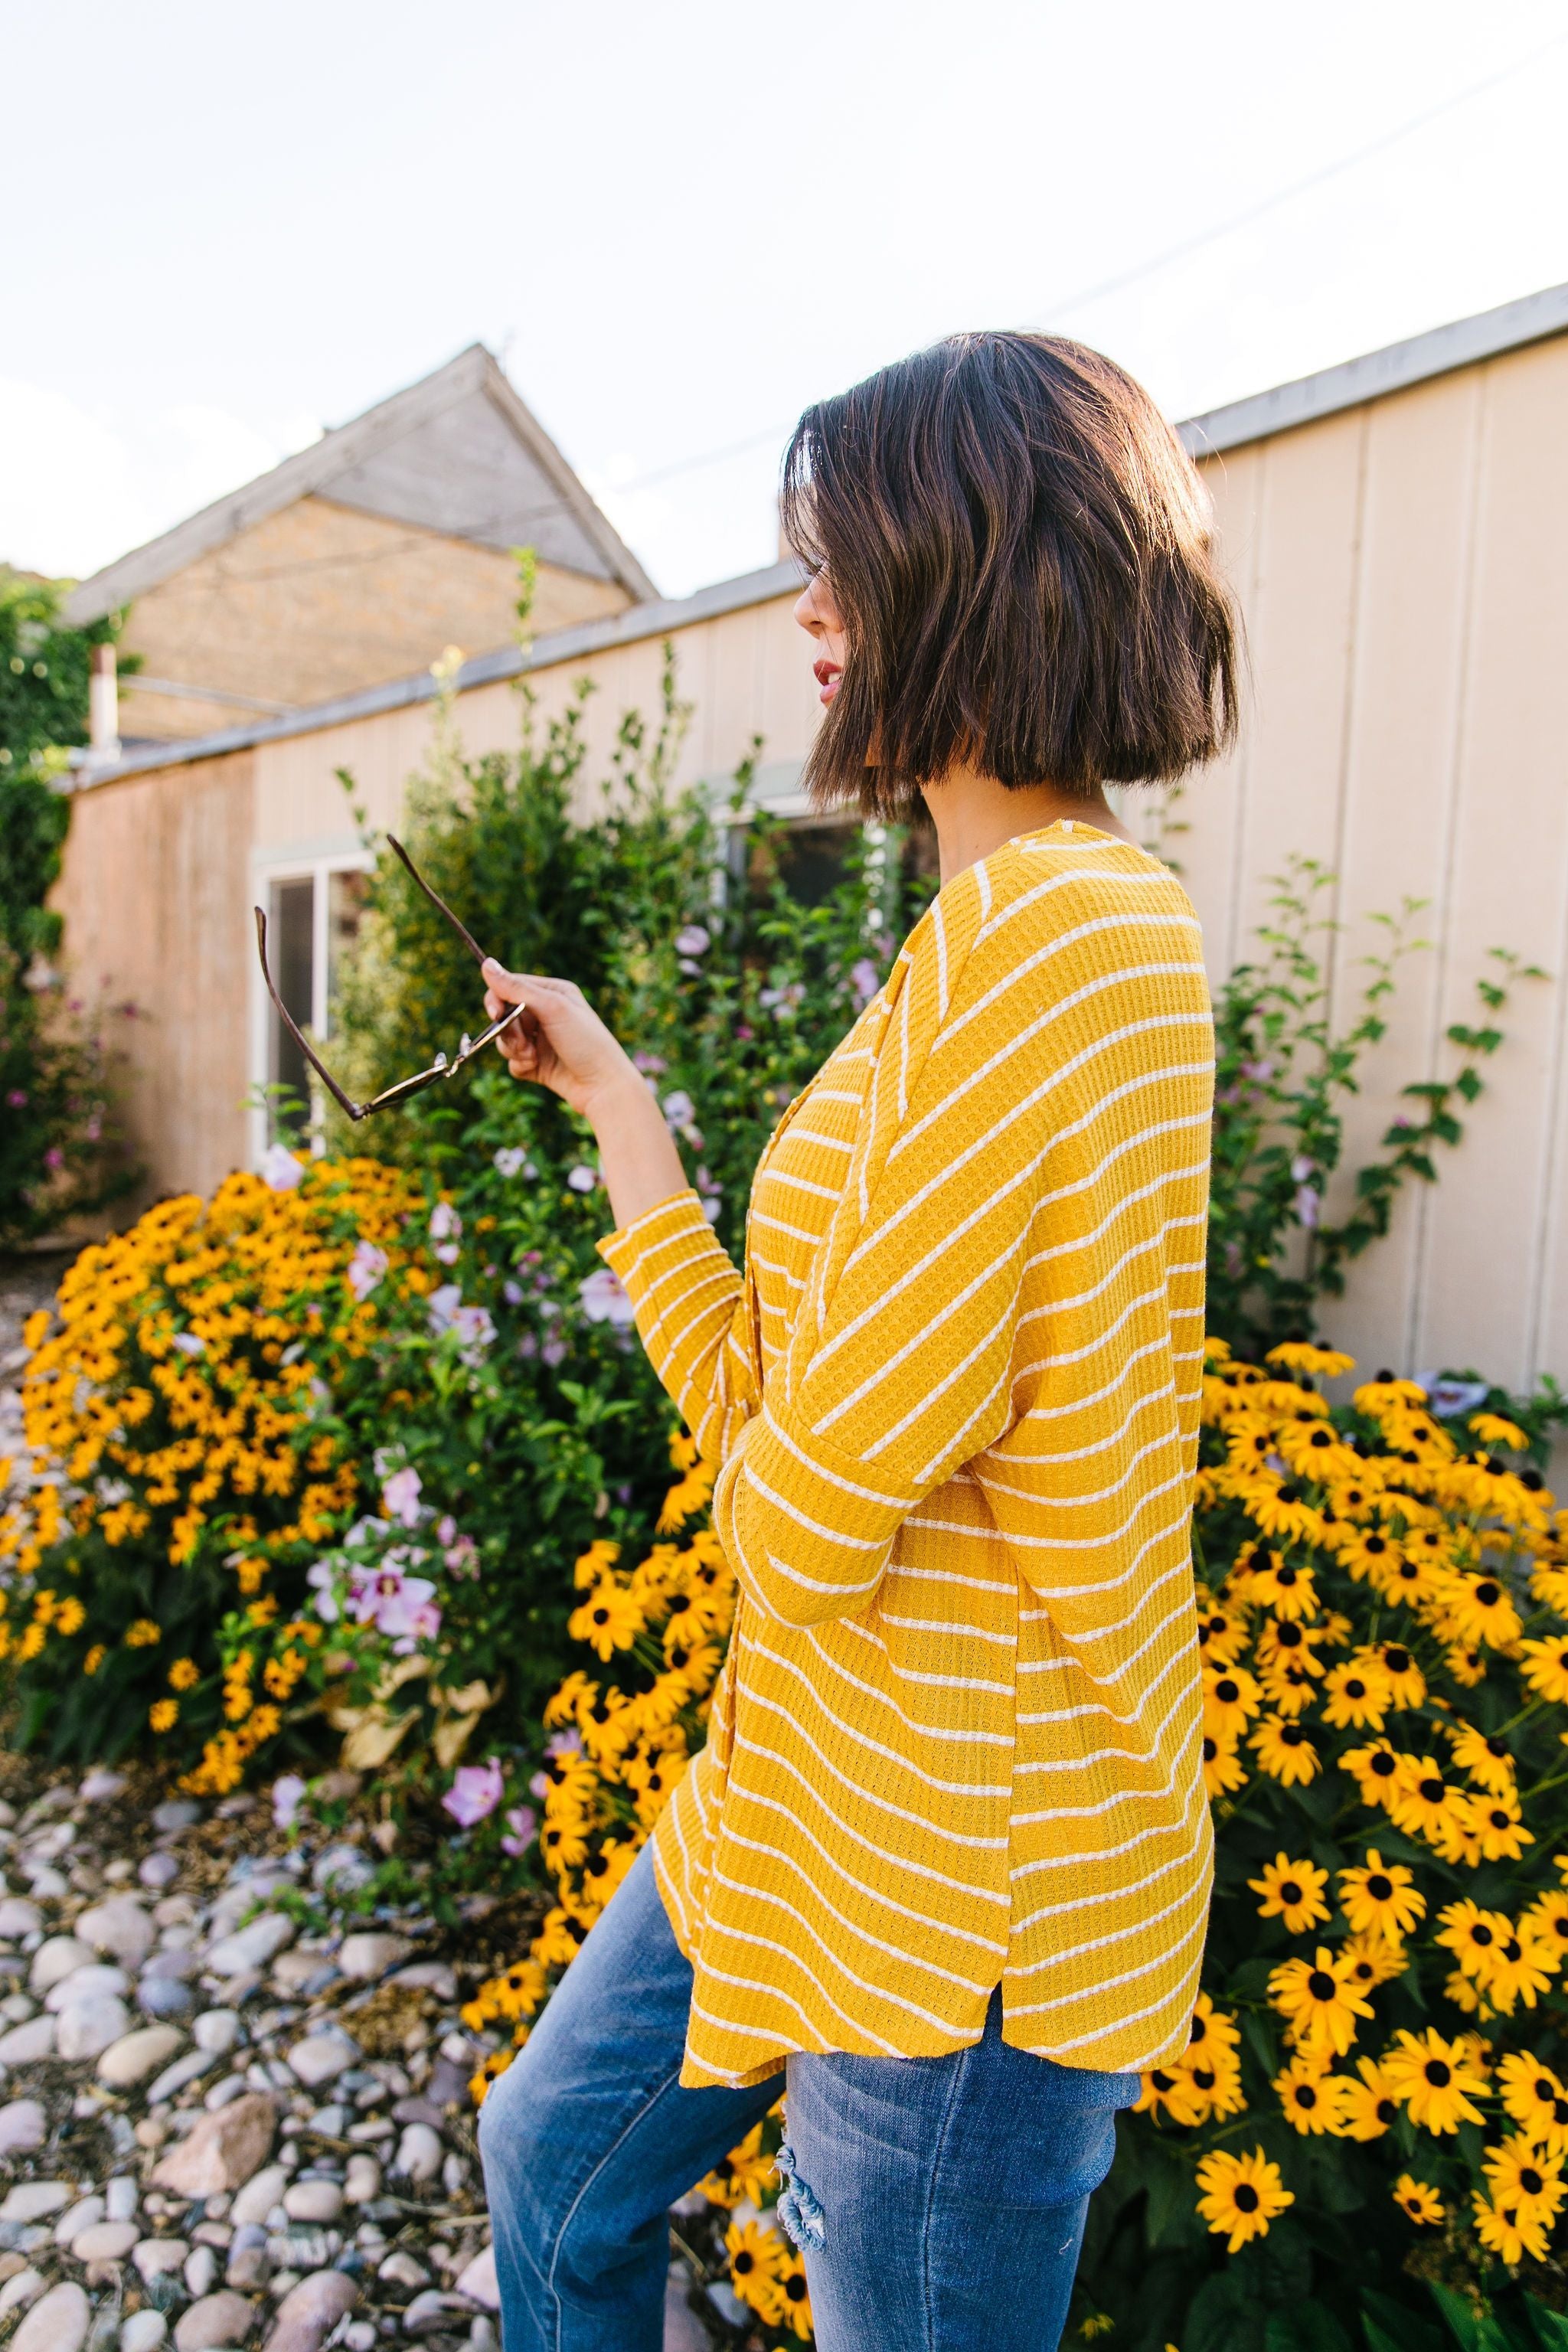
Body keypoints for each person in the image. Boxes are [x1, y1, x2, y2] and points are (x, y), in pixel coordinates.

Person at [475, 330, 1240, 2352]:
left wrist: (782, 1475)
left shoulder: (1063, 945)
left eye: (847, 561)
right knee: (553, 2162)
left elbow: (803, 1521)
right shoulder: (969, 950)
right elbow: (791, 1434)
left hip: (962, 1871)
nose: (809, 613)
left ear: (980, 574)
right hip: (821, 1786)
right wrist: (629, 1119)